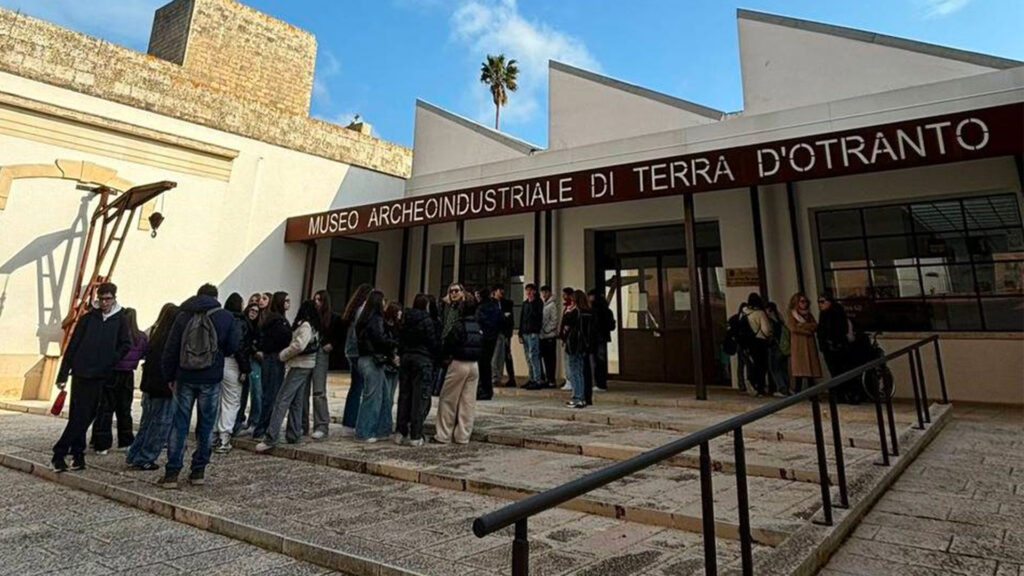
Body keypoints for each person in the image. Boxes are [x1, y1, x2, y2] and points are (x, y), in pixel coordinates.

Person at [159, 284, 240, 488]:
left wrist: (169, 375)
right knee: (205, 425)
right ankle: (198, 471)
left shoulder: (183, 315)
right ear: (216, 297)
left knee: (179, 424)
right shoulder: (226, 317)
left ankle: (172, 472)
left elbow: (171, 347)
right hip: (210, 378)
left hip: (184, 376)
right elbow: (232, 347)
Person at [51, 282, 131, 472]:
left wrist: (112, 358)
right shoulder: (88, 319)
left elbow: (125, 344)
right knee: (79, 415)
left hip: (101, 374)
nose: (104, 303)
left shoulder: (120, 319)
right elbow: (73, 346)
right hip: (80, 371)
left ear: (114, 298)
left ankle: (70, 453)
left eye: (108, 299)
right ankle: (67, 454)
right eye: (101, 299)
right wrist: (63, 373)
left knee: (86, 415)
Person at [256, 300, 322, 452]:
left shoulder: (305, 325)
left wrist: (283, 355)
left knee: (282, 400)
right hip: (306, 365)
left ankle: (271, 437)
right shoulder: (314, 325)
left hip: (299, 365)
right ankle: (293, 434)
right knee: (296, 402)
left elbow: (299, 345)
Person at [126, 303, 179, 470]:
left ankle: (134, 454)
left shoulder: (155, 333)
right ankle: (146, 457)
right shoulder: (171, 339)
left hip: (149, 384)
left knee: (146, 423)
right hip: (163, 387)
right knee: (160, 424)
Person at [92, 307, 147, 453]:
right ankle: (126, 441)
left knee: (106, 409)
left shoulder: (116, 335)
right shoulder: (140, 337)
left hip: (111, 372)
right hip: (128, 375)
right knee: (124, 409)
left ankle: (102, 443)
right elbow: (143, 354)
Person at [435, 298, 483, 444]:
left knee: (448, 399)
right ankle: (463, 435)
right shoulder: (478, 326)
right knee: (468, 402)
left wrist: (444, 358)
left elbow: (449, 344)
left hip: (458, 363)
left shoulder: (458, 326)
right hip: (474, 365)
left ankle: (443, 435)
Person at [353, 290, 398, 442]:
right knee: (373, 397)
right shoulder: (376, 319)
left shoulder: (365, 318)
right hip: (372, 360)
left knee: (383, 395)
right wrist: (395, 344)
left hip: (367, 359)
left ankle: (381, 429)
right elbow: (380, 339)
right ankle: (365, 432)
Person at [395, 295, 437, 446]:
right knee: (419, 398)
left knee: (404, 396)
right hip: (422, 359)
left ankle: (400, 432)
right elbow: (432, 341)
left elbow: (400, 338)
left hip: (406, 357)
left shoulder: (405, 318)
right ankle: (416, 434)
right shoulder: (427, 321)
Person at [252, 292, 291, 439]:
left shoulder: (274, 319)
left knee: (270, 393)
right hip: (274, 359)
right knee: (271, 394)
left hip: (272, 358)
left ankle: (263, 426)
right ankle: (262, 428)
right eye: (286, 301)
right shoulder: (277, 321)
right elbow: (281, 340)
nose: (288, 304)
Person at [214, 293, 250, 453]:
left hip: (217, 361)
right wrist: (245, 368)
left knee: (218, 399)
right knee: (232, 400)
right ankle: (224, 436)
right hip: (233, 362)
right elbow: (239, 345)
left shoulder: (220, 318)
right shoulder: (240, 322)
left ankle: (213, 433)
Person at [340, 284, 373, 437]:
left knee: (355, 387)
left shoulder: (353, 308)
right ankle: (353, 422)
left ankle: (349, 421)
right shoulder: (363, 310)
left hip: (351, 351)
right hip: (358, 352)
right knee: (360, 387)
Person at [817, 293, 860, 402]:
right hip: (832, 347)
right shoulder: (827, 314)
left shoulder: (833, 313)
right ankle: (843, 395)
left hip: (837, 347)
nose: (820, 304)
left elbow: (836, 330)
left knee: (839, 371)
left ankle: (845, 394)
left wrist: (832, 343)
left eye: (822, 301)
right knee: (837, 372)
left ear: (829, 302)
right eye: (819, 302)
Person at [309, 290, 340, 440]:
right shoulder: (310, 317)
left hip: (321, 352)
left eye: (319, 300)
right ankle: (302, 424)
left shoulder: (333, 318)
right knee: (303, 391)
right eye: (315, 300)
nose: (316, 303)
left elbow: (339, 335)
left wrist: (331, 344)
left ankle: (321, 424)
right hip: (308, 352)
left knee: (319, 391)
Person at [562, 290, 596, 408]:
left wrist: (567, 311)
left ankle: (578, 397)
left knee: (574, 371)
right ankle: (582, 397)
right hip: (584, 345)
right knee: (580, 371)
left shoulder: (576, 312)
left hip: (574, 344)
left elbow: (566, 322)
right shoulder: (589, 312)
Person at [234, 302, 262, 435]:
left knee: (255, 391)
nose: (253, 313)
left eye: (256, 312)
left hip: (253, 361)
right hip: (245, 359)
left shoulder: (257, 326)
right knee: (243, 392)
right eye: (251, 310)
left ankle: (253, 421)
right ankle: (239, 420)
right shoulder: (243, 323)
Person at [787, 293, 822, 393]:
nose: (805, 304)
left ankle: (812, 393)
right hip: (799, 346)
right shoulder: (792, 314)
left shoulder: (808, 315)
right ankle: (797, 392)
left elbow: (815, 325)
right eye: (802, 301)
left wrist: (803, 325)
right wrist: (806, 330)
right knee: (799, 371)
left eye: (806, 301)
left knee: (810, 370)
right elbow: (793, 328)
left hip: (809, 344)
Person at [742, 293, 773, 396]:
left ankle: (751, 382)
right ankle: (760, 387)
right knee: (762, 365)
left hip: (749, 342)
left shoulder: (744, 313)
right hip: (760, 341)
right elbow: (766, 330)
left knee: (752, 364)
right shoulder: (760, 313)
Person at [588, 289, 616, 392]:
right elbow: (612, 325)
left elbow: (595, 325)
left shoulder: (595, 311)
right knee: (600, 361)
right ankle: (599, 383)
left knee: (598, 361)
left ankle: (599, 383)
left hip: (597, 338)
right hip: (601, 338)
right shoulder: (607, 311)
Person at [476, 288, 502, 401]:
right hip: (493, 338)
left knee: (482, 366)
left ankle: (483, 390)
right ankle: (487, 390)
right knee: (487, 365)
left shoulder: (481, 308)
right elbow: (501, 321)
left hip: (483, 338)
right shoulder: (495, 307)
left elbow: (478, 322)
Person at [532, 285, 559, 389]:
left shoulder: (552, 305)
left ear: (549, 292)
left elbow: (554, 320)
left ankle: (551, 380)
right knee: (541, 358)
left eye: (545, 292)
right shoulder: (543, 304)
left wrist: (546, 330)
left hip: (549, 336)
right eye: (542, 292)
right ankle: (545, 378)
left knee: (550, 360)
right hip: (542, 336)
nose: (544, 294)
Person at [518, 283, 544, 388]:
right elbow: (522, 318)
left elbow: (538, 316)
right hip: (525, 332)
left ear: (534, 291)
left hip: (533, 332)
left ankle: (538, 379)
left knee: (533, 356)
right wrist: (520, 332)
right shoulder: (525, 304)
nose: (528, 292)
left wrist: (532, 302)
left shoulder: (538, 303)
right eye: (527, 290)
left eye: (530, 290)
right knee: (528, 357)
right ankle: (532, 378)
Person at [765, 301, 791, 397]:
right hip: (784, 346)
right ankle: (787, 387)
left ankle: (782, 388)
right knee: (783, 368)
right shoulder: (781, 320)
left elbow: (769, 333)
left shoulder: (770, 320)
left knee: (775, 369)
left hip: (775, 346)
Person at [559, 287, 575, 391]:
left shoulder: (572, 307)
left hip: (570, 337)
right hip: (565, 337)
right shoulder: (566, 307)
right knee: (566, 359)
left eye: (564, 295)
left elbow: (568, 323)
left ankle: (570, 381)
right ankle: (568, 380)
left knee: (570, 360)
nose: (563, 297)